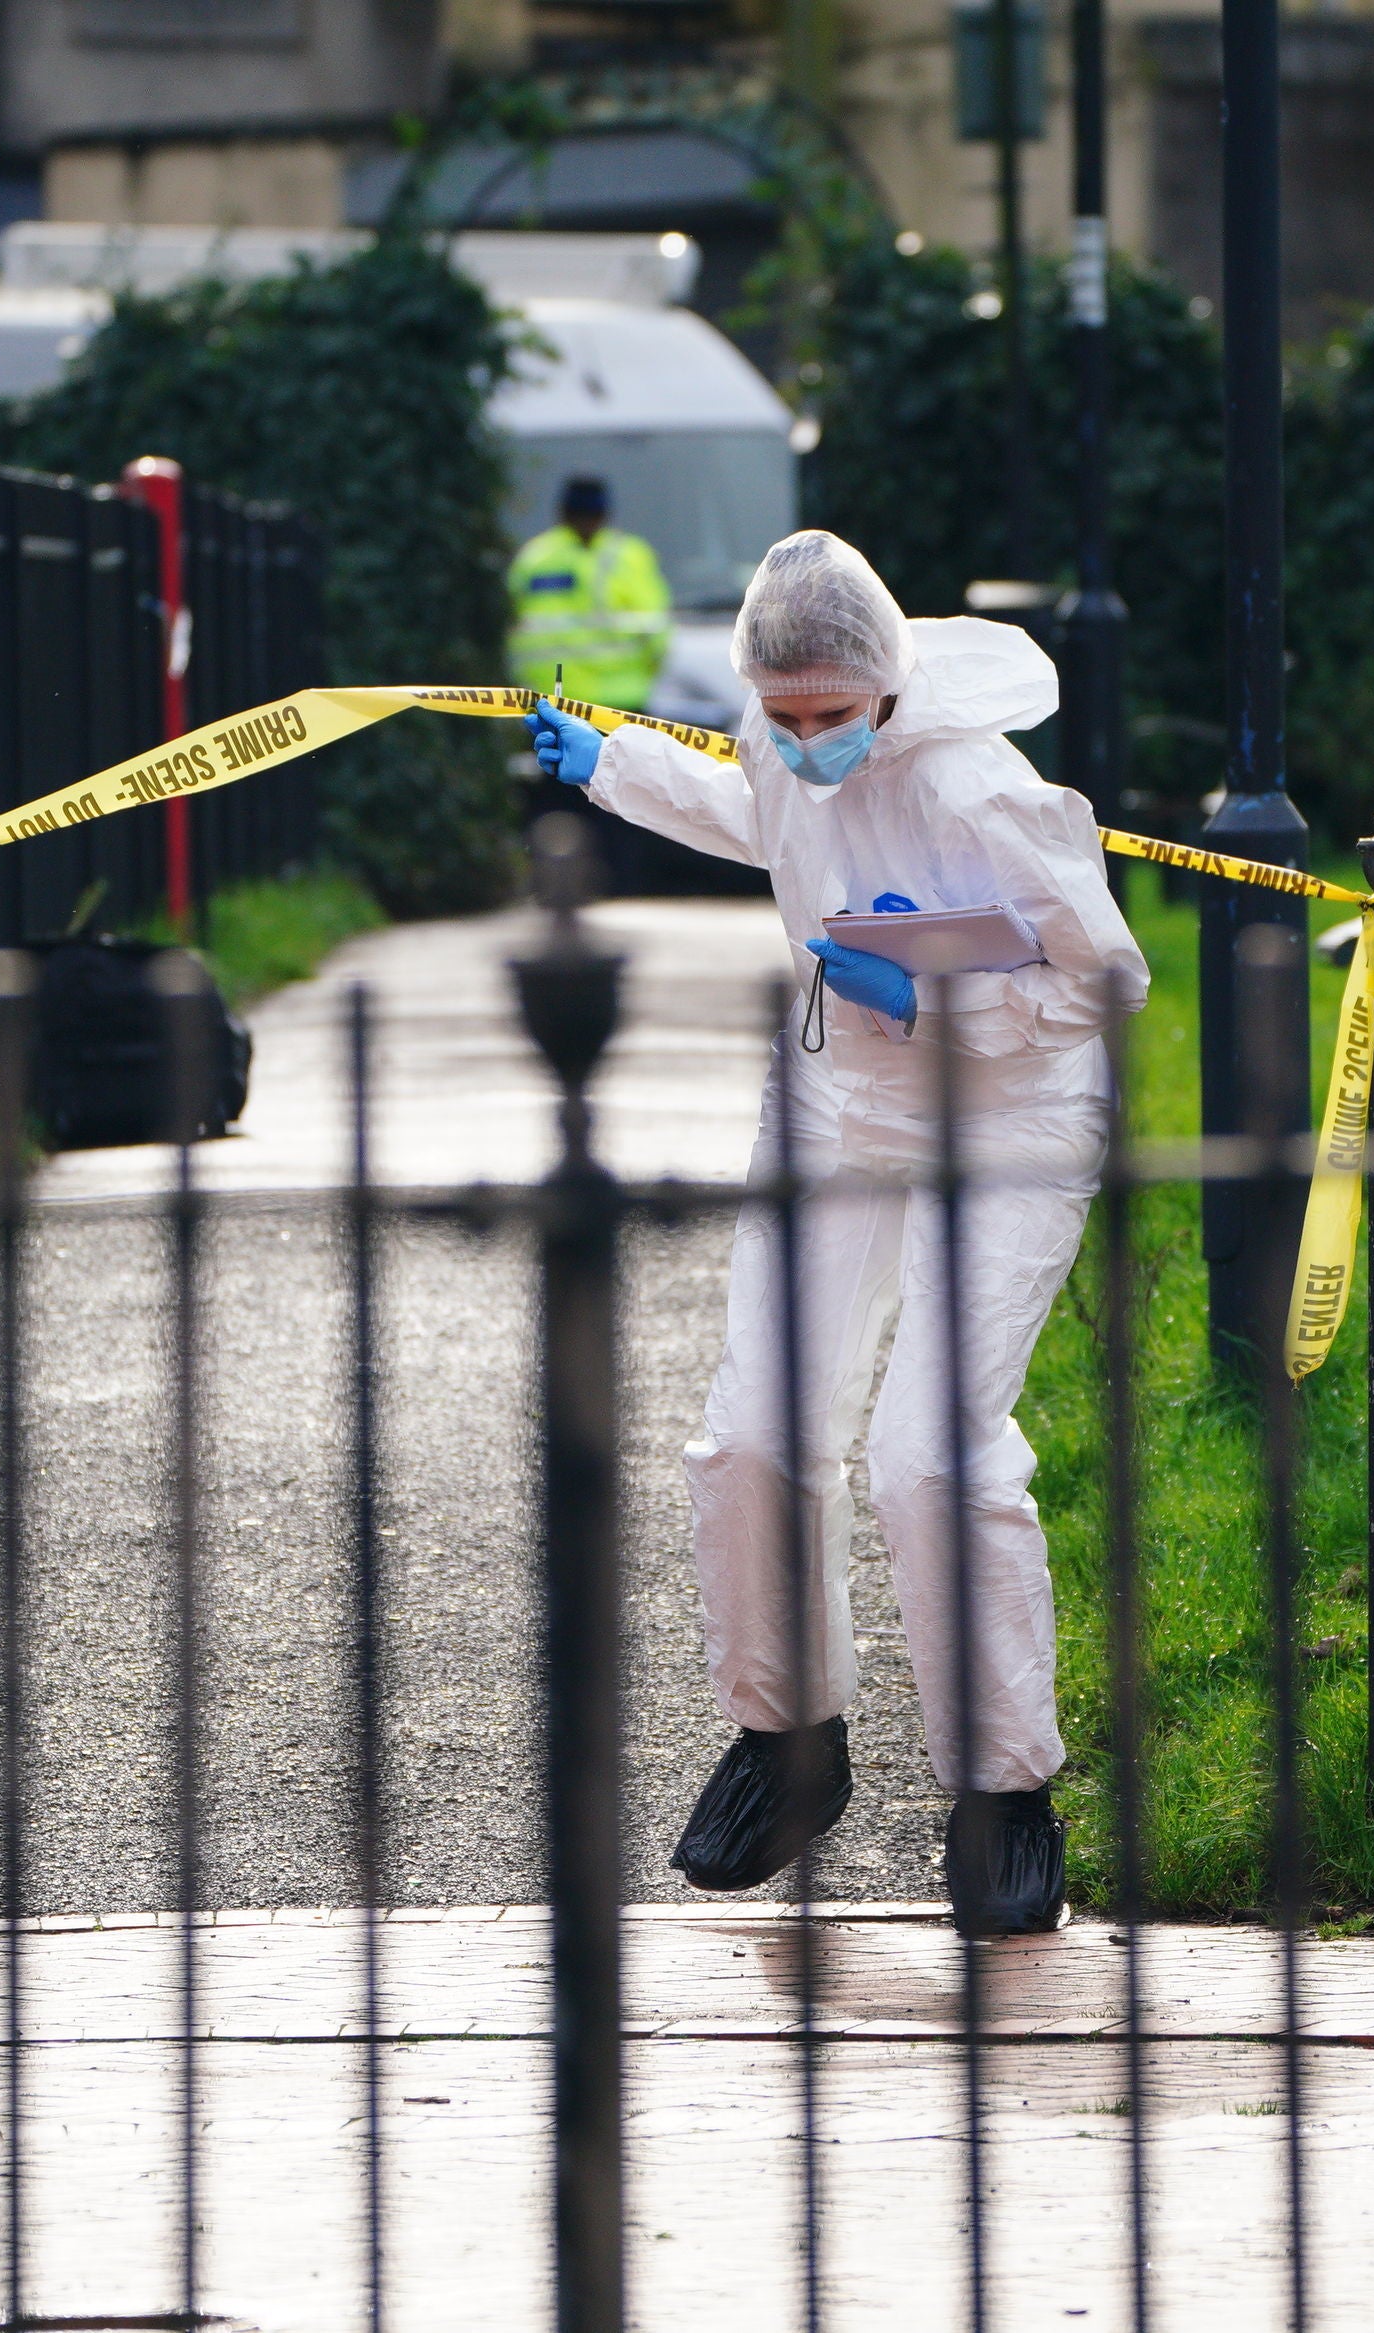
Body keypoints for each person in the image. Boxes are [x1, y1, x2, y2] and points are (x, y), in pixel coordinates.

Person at [524, 530, 1148, 1937]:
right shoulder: (775, 736)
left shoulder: (982, 789)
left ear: (885, 691)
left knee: (929, 1455)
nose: (804, 741)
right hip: (840, 1098)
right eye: (781, 714)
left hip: (1014, 1108)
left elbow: (1108, 981)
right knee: (754, 1433)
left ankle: (1004, 1796)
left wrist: (944, 999)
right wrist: (611, 761)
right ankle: (786, 1746)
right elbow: (759, 808)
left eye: (829, 718)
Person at [507, 475, 671, 710]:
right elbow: (658, 634)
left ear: (562, 512)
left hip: (554, 701)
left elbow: (512, 625)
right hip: (620, 701)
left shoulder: (535, 558)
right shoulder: (630, 556)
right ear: (605, 513)